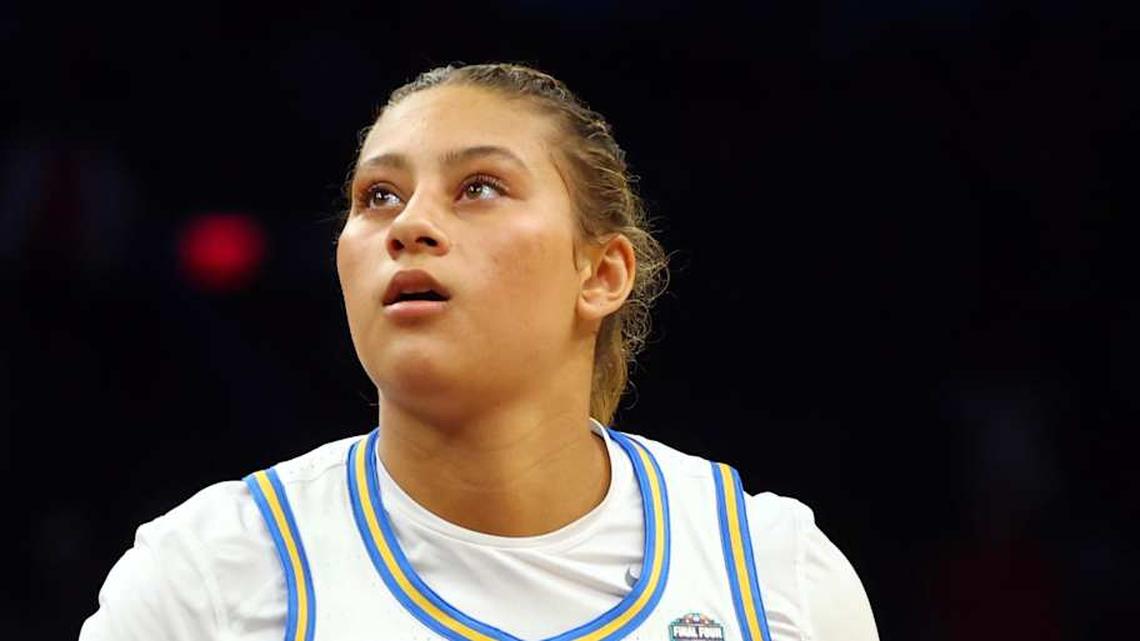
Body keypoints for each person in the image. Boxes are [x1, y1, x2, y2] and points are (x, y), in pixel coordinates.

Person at [78, 62, 879, 641]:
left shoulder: (775, 578)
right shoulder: (209, 578)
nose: (408, 225)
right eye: (377, 196)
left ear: (601, 273)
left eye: (479, 187)